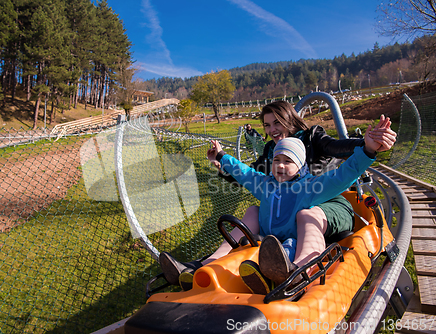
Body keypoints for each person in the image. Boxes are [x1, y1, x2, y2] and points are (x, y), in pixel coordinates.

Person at [159, 101, 396, 290]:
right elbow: (246, 173)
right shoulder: (269, 168)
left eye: (276, 123)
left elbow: (341, 168)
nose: (272, 130)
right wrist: (221, 158)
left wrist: (367, 147)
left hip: (325, 203)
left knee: (306, 215)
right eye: (266, 125)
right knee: (252, 211)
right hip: (278, 222)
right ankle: (208, 263)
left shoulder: (312, 158)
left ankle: (302, 268)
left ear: (289, 119)